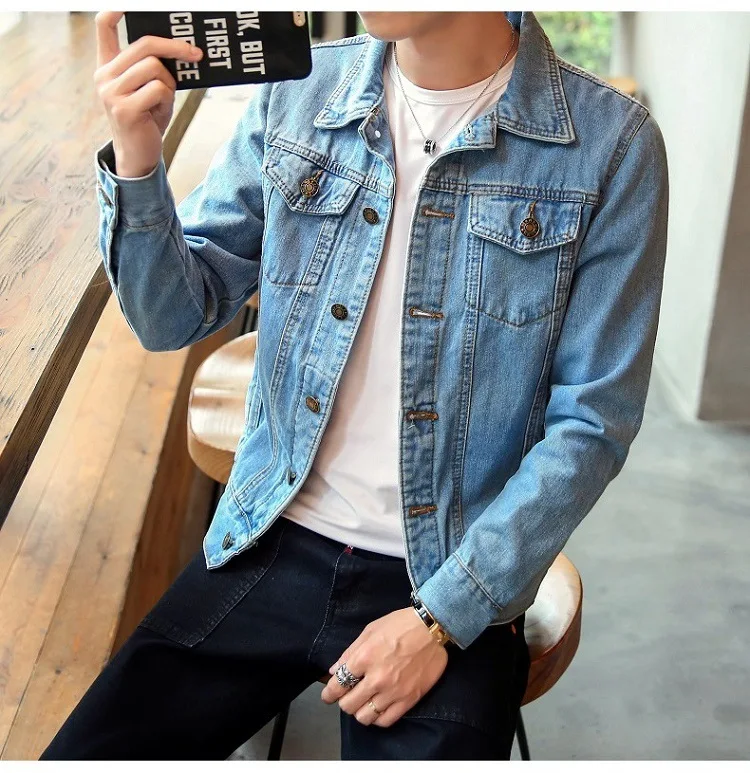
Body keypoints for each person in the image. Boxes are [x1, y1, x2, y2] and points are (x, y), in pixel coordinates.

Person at [41, 9, 669, 761]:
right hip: (274, 532)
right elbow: (171, 315)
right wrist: (138, 160)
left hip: (450, 569)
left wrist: (442, 618)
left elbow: (592, 425)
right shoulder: (300, 90)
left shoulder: (610, 145)